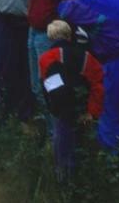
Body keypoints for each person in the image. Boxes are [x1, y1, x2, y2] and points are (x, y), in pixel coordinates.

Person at [57, 0, 119, 150]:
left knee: (109, 115)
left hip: (112, 63)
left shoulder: (94, 0)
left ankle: (112, 167)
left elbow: (65, 9)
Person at [39, 20, 105, 181]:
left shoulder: (46, 58)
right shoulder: (87, 57)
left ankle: (64, 189)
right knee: (86, 150)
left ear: (50, 37)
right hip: (85, 111)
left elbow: (50, 89)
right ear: (69, 35)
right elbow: (98, 85)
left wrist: (57, 112)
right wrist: (91, 112)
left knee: (63, 154)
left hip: (63, 114)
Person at [27, 0, 77, 137]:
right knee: (36, 85)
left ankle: (61, 135)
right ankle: (52, 133)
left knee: (50, 84)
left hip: (49, 35)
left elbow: (70, 7)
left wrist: (60, 35)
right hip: (33, 32)